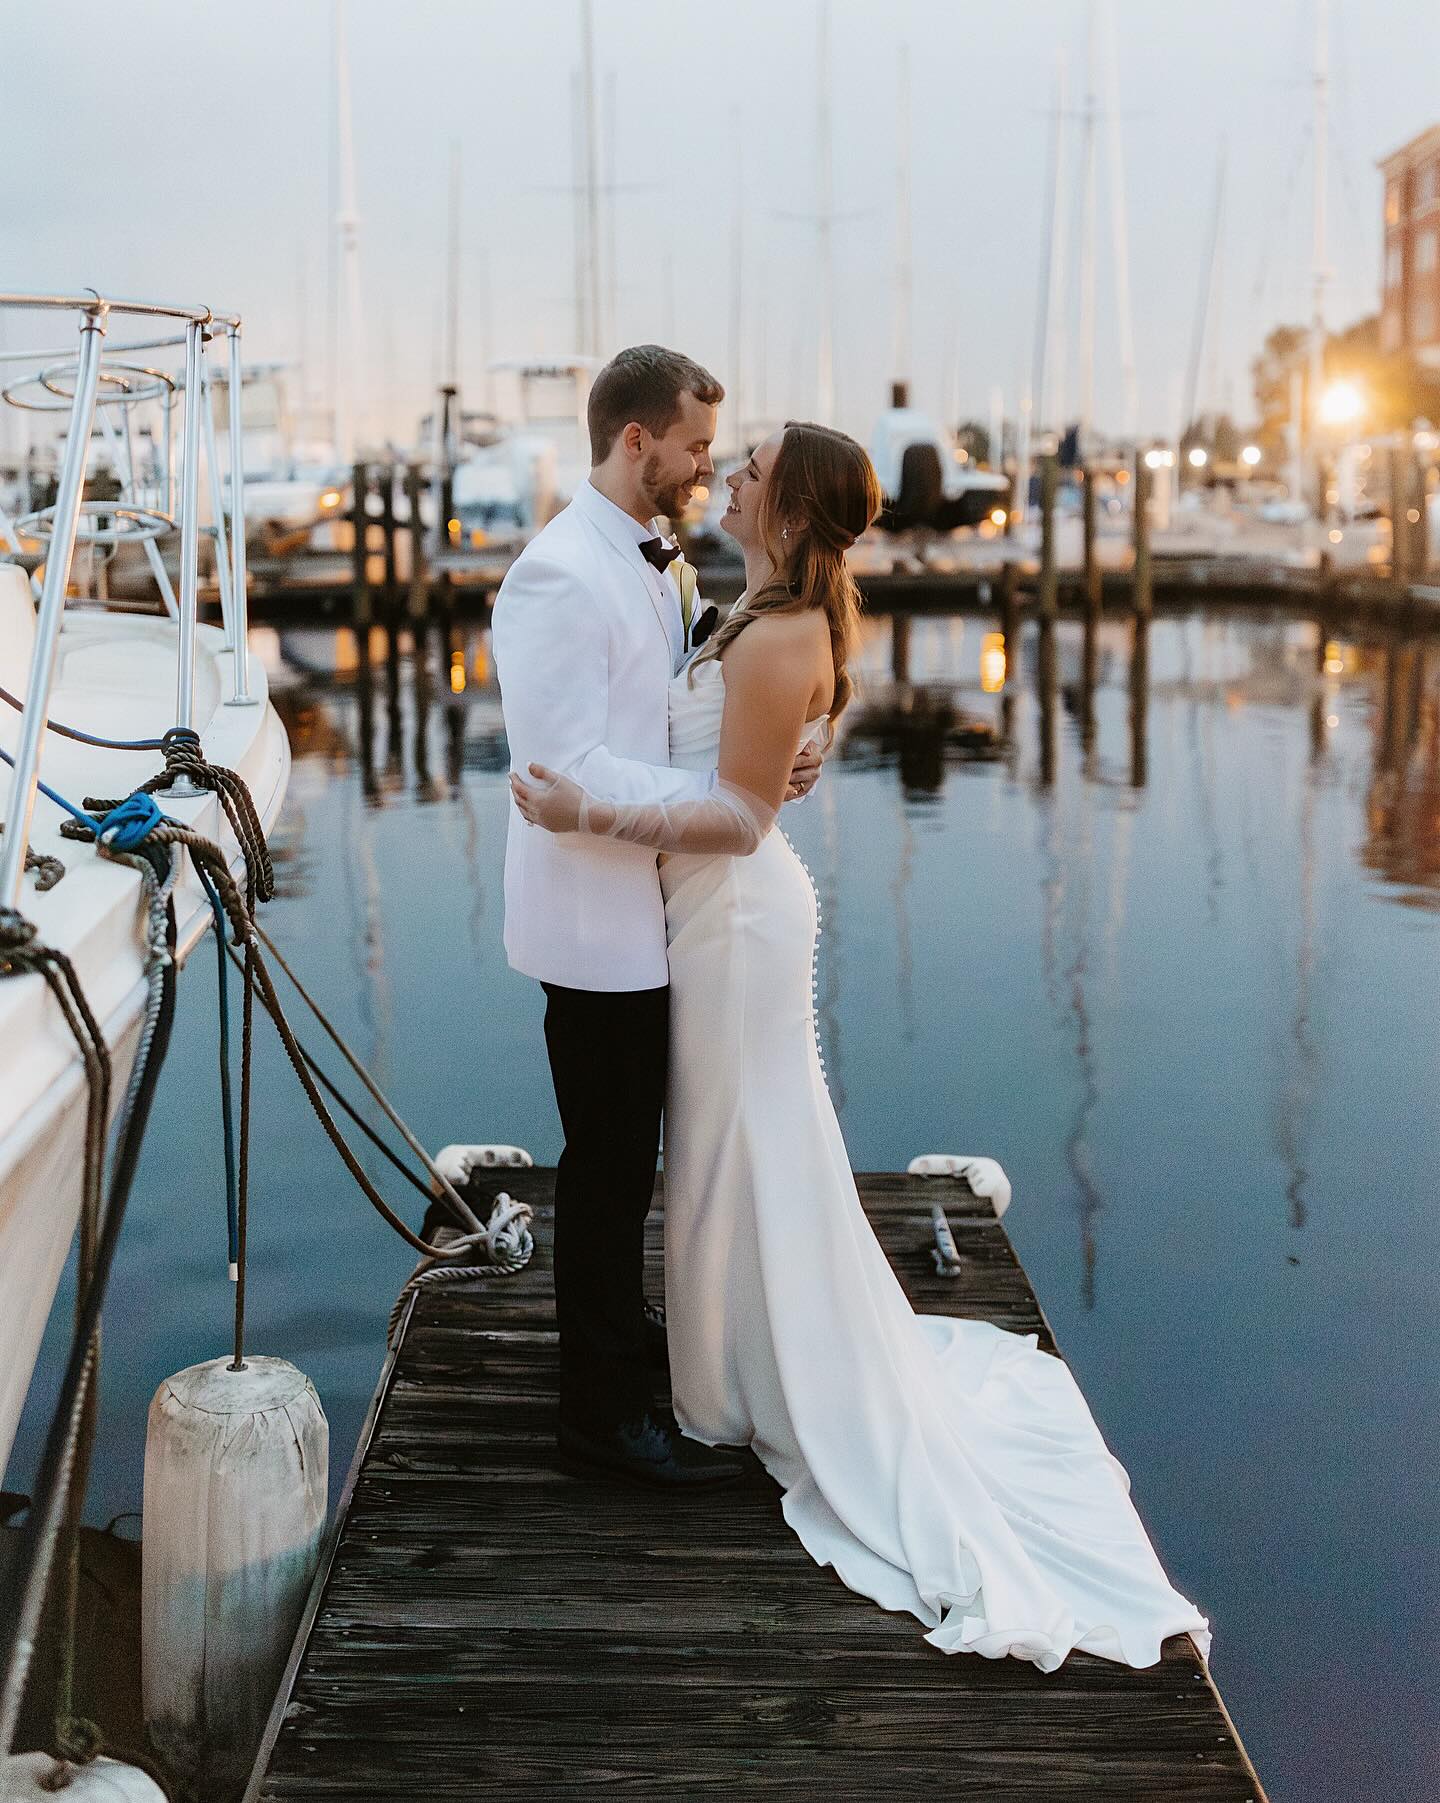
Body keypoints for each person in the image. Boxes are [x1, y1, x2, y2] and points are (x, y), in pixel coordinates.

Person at [511, 418, 1212, 1669]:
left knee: (749, 1143)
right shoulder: (752, 605)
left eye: (752, 466)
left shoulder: (781, 631)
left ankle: (757, 1379)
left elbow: (733, 815)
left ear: (790, 503)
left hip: (733, 921)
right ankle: (724, 1365)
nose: (728, 473)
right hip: (697, 920)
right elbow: (743, 760)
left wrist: (583, 805)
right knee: (734, 1147)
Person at [491, 345, 821, 1488]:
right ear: (637, 442)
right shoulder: (559, 575)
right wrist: (741, 801)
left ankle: (624, 1354)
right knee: (608, 1169)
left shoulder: (654, 561)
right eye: (692, 448)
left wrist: (775, 760)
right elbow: (565, 766)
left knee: (630, 1159)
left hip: (662, 909)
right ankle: (600, 1419)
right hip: (594, 921)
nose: (703, 467)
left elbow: (682, 706)